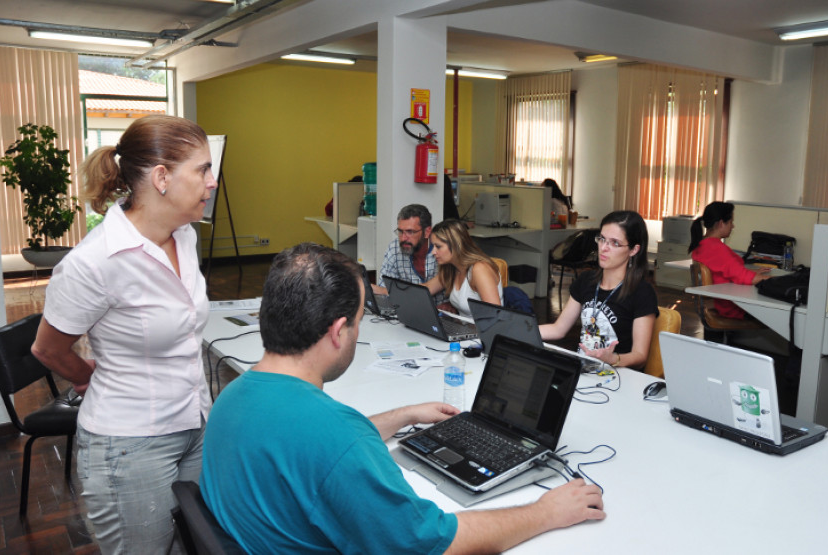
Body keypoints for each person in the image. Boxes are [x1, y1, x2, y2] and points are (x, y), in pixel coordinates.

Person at [200, 243, 605, 554]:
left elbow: (312, 444)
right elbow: (436, 542)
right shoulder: (338, 440)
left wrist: (405, 414)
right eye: (359, 321)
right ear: (338, 331)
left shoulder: (233, 396)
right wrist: (544, 512)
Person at [31, 115, 217, 554]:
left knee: (195, 545)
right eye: (203, 170)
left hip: (195, 423)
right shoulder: (94, 262)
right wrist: (88, 375)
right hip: (130, 443)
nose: (212, 182)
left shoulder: (184, 237)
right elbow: (48, 349)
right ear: (161, 178)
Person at [540, 210, 658, 369]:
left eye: (615, 243)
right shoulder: (586, 281)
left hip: (617, 374)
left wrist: (612, 358)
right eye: (602, 239)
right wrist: (519, 330)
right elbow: (558, 329)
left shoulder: (642, 293)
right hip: (584, 370)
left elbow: (640, 355)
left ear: (633, 250)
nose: (603, 248)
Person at [688, 201, 770, 319]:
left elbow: (725, 272)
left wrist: (752, 273)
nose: (733, 226)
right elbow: (744, 278)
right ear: (721, 223)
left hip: (722, 302)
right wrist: (777, 280)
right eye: (731, 222)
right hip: (732, 308)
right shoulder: (717, 249)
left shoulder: (701, 245)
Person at [424, 218, 503, 317]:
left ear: (456, 245)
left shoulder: (479, 269)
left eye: (438, 247)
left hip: (481, 327)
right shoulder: (451, 268)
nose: (433, 252)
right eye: (433, 246)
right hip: (462, 325)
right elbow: (426, 289)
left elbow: (495, 316)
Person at [374, 204, 438, 294]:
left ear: (427, 232)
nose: (403, 238)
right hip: (405, 303)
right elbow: (384, 290)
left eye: (410, 232)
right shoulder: (394, 249)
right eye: (400, 231)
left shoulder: (442, 249)